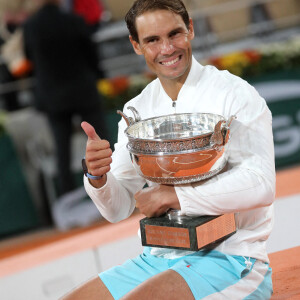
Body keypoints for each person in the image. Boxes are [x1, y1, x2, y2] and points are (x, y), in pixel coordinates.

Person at [63, 0, 275, 299]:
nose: (167, 49)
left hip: (231, 259)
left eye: (174, 34)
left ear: (190, 29)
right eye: (152, 40)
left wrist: (173, 196)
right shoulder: (137, 109)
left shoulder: (234, 94)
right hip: (159, 259)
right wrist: (98, 177)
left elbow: (261, 184)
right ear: (136, 45)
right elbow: (118, 207)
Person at [22, 0, 109, 196]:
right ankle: (116, 186)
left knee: (62, 151)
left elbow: (29, 59)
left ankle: (68, 199)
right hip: (83, 90)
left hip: (53, 97)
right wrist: (98, 76)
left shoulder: (30, 26)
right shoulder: (74, 20)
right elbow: (91, 54)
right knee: (102, 140)